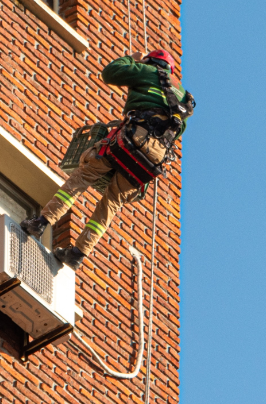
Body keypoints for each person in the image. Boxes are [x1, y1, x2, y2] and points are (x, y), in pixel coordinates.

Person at [20, 50, 196, 270]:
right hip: (154, 158)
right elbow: (177, 132)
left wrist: (132, 59)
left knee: (83, 176)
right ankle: (77, 254)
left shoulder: (149, 71)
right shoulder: (185, 100)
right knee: (112, 203)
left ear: (153, 62)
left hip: (133, 139)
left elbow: (110, 73)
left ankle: (41, 222)